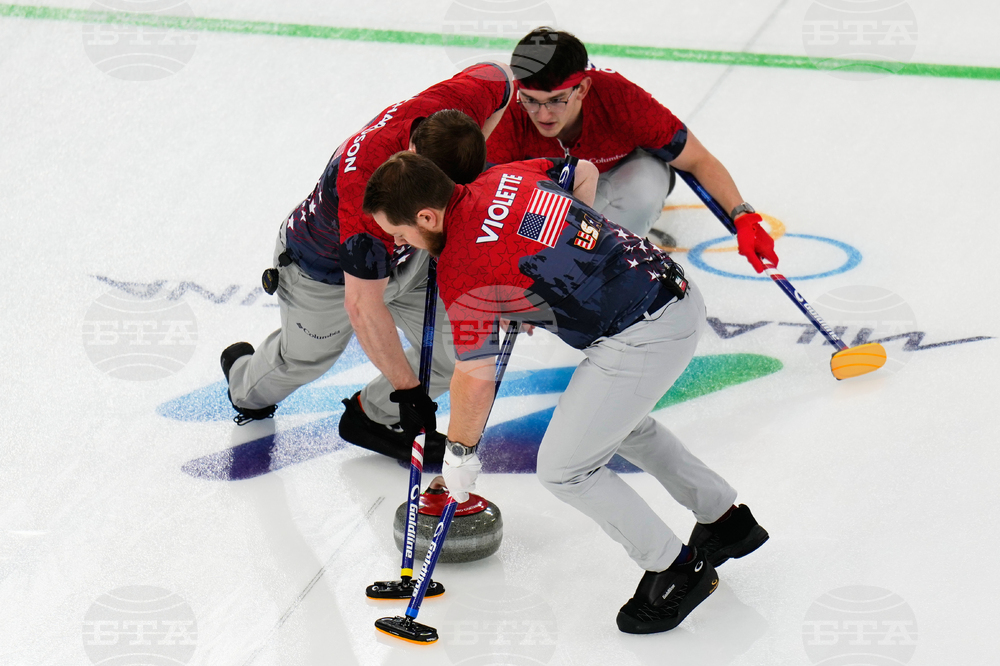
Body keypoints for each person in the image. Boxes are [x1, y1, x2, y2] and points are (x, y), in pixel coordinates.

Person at [361, 150, 771, 634]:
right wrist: (542, 278)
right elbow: (583, 172)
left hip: (643, 332)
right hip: (670, 291)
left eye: (401, 234)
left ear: (427, 216)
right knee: (622, 427)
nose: (400, 244)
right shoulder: (504, 176)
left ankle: (677, 571)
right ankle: (725, 520)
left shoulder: (465, 266)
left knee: (565, 469)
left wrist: (460, 454)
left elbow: (475, 375)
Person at [221, 63, 513, 465]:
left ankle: (371, 417)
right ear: (412, 155)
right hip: (326, 273)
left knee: (453, 350)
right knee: (304, 360)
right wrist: (408, 392)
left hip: (410, 255)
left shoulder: (456, 108)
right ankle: (243, 382)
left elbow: (504, 77)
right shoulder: (367, 192)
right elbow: (363, 305)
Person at [488, 27, 769, 247]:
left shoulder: (622, 99)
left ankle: (615, 257)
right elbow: (485, 201)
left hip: (619, 177)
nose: (543, 114)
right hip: (547, 193)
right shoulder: (508, 113)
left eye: (557, 100)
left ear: (583, 88)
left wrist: (743, 216)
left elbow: (697, 160)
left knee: (646, 184)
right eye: (531, 100)